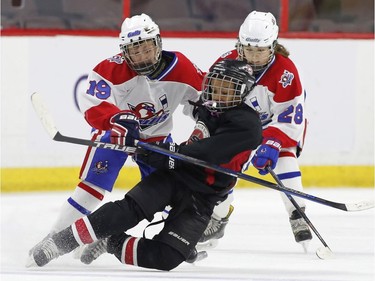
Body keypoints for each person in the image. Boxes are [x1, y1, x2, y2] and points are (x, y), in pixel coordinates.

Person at [27, 59, 263, 270]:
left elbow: (208, 153)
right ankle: (59, 242)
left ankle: (111, 241)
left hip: (204, 198)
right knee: (128, 211)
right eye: (216, 84)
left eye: (227, 87)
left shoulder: (248, 126)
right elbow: (157, 111)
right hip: (176, 177)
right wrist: (132, 131)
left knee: (168, 258)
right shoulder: (208, 105)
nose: (218, 92)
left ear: (243, 92)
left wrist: (169, 153)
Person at [28, 13, 205, 255]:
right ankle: (53, 239)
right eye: (135, 52)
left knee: (168, 193)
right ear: (124, 51)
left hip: (157, 140)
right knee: (92, 187)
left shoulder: (182, 68)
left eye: (146, 49)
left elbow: (204, 105)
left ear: (158, 43)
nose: (141, 57)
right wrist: (116, 119)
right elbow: (93, 105)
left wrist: (206, 128)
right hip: (115, 137)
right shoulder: (108, 70)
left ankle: (175, 238)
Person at [199, 11, 312, 251]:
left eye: (260, 50)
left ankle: (297, 212)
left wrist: (271, 141)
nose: (253, 56)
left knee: (284, 156)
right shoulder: (225, 64)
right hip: (239, 129)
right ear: (239, 44)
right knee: (221, 170)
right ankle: (219, 217)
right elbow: (211, 101)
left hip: (276, 126)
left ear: (272, 46)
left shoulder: (286, 72)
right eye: (248, 49)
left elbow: (291, 116)